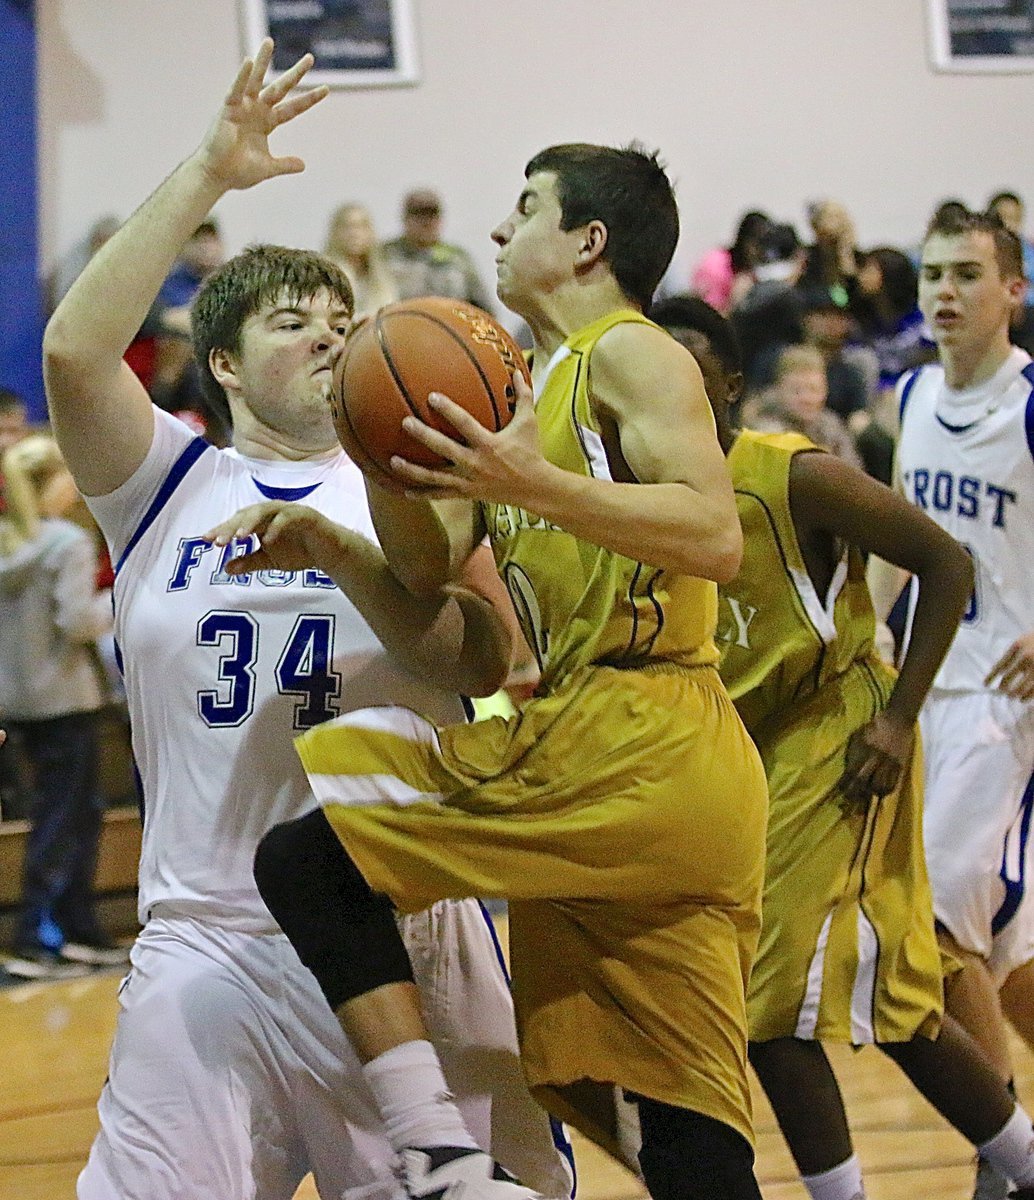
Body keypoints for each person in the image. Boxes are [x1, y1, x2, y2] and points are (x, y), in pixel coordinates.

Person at [43, 42, 570, 1200]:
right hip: (207, 943)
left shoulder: (429, 480)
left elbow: (487, 664)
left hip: (403, 934)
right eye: (293, 322)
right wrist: (209, 174)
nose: (329, 335)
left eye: (342, 318)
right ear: (221, 364)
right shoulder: (164, 486)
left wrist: (397, 551)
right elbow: (74, 352)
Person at [237, 89, 771, 1198]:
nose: (495, 229)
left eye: (523, 206)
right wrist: (364, 478)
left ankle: (430, 1145)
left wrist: (532, 481)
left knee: (307, 860)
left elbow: (713, 534)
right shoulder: (519, 393)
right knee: (682, 1130)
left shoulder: (633, 354)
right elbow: (432, 588)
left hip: (643, 731)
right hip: (629, 762)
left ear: (587, 240)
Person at [653, 293, 1034, 1200]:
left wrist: (898, 719)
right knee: (900, 1001)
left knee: (768, 1008)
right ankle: (1024, 1161)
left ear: (732, 389)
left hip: (840, 737)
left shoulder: (790, 475)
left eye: (687, 379)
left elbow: (947, 562)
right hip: (747, 755)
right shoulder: (644, 497)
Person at [869, 204, 1034, 1200]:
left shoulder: (1029, 403)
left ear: (1011, 290)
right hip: (926, 691)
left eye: (966, 273)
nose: (941, 290)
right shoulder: (913, 393)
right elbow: (905, 546)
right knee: (1009, 965)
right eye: (932, 272)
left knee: (929, 930)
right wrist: (863, 650)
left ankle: (1000, 1150)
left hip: (1006, 711)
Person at [0, 433, 120, 979]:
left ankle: (70, 931)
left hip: (20, 700)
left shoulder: (7, 543)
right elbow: (78, 624)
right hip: (66, 699)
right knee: (71, 818)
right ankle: (43, 935)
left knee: (54, 814)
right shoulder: (68, 543)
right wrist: (118, 598)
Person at [746, 343, 863, 469]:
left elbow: (854, 472)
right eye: (797, 391)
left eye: (814, 390)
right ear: (780, 390)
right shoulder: (764, 431)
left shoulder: (831, 426)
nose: (807, 399)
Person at [382, 187, 495, 312]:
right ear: (405, 218)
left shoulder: (458, 259)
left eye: (431, 215)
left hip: (447, 327)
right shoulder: (384, 256)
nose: (425, 222)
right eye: (418, 215)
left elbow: (485, 309)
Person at [323, 201, 399, 318]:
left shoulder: (382, 276)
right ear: (335, 232)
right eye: (347, 227)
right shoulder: (325, 275)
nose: (354, 234)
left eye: (361, 227)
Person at [689, 209, 771, 314]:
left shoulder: (755, 268)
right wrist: (735, 302)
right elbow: (709, 316)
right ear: (745, 241)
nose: (762, 253)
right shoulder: (717, 264)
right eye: (758, 244)